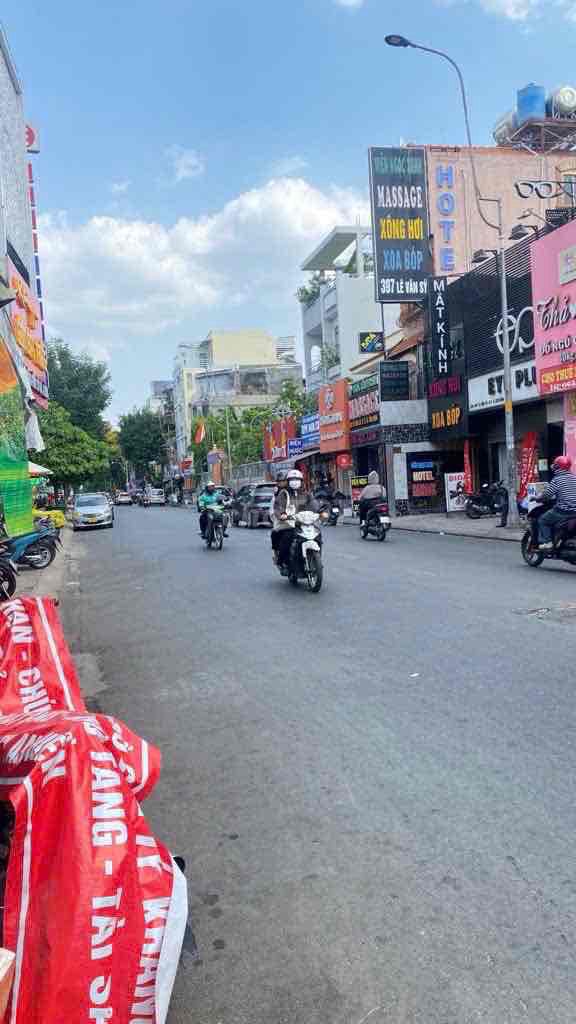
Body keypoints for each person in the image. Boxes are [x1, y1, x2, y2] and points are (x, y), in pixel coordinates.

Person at [271, 469, 317, 572]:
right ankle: (282, 562)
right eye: (292, 480)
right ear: (288, 481)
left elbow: (314, 504)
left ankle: (315, 558)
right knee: (287, 538)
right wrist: (282, 514)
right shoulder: (284, 493)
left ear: (301, 481)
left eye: (297, 479)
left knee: (318, 535)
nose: (295, 482)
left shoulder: (307, 493)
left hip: (305, 522)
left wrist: (321, 511)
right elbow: (278, 506)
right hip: (290, 523)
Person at [538, 455, 576, 550]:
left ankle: (547, 542)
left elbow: (547, 495)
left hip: (563, 512)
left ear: (557, 467)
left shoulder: (557, 480)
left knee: (542, 520)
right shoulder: (574, 478)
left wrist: (537, 498)